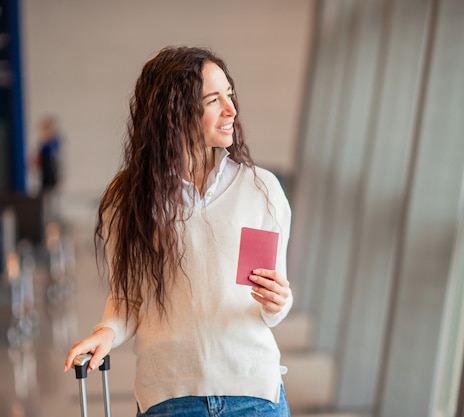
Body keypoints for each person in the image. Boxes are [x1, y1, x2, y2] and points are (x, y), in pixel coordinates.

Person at [64, 46, 293, 417]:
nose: (231, 110)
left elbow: (269, 302)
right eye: (213, 101)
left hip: (254, 395)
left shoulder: (261, 190)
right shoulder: (128, 201)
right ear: (174, 112)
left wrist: (279, 301)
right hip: (170, 397)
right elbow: (128, 298)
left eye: (230, 96)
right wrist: (105, 331)